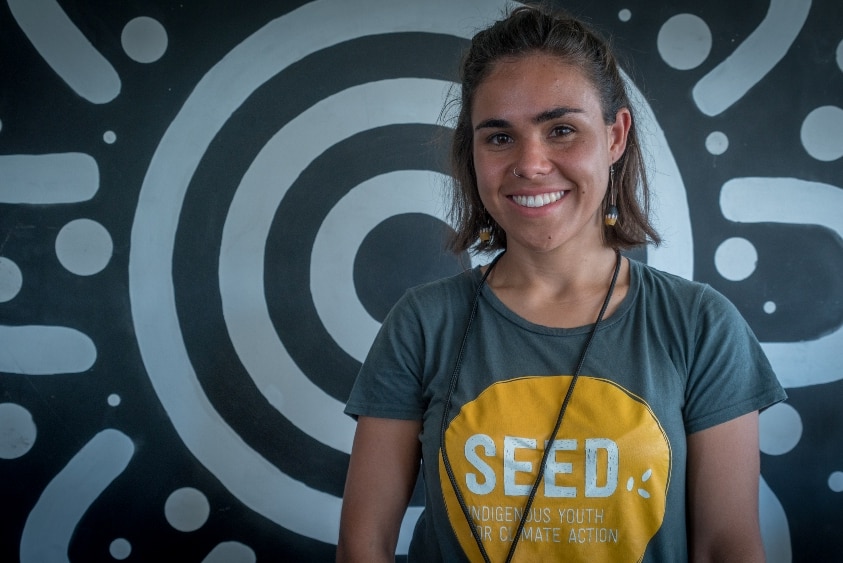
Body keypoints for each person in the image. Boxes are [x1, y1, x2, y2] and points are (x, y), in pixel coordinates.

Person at [337, 5, 786, 562]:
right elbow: (364, 545)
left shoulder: (701, 325)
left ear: (615, 135)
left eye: (562, 130)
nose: (531, 163)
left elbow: (727, 547)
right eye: (499, 137)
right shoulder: (422, 324)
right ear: (472, 152)